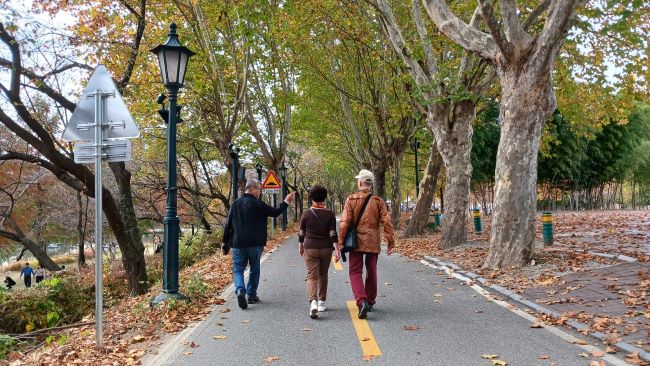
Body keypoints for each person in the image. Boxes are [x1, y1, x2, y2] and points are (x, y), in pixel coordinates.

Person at [223, 178, 296, 309]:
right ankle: (251, 295)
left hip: (238, 243)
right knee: (254, 268)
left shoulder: (235, 204)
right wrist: (286, 202)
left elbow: (227, 225)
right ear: (251, 189)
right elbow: (275, 213)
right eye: (258, 189)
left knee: (238, 269)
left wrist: (225, 242)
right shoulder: (258, 204)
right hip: (255, 243)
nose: (259, 192)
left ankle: (240, 290)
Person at [338, 169, 395, 319]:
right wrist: (391, 242)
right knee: (372, 270)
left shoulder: (351, 199)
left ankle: (361, 302)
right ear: (371, 185)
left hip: (355, 241)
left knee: (355, 272)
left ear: (360, 183)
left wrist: (341, 241)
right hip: (373, 240)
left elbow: (344, 223)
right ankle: (370, 301)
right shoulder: (378, 201)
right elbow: (386, 222)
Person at [298, 185, 340, 319]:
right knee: (323, 274)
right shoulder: (329, 213)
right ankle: (322, 302)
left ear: (311, 198)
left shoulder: (306, 213)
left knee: (312, 275)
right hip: (326, 247)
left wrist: (300, 245)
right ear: (324, 198)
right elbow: (333, 232)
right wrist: (337, 249)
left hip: (310, 247)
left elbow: (301, 232)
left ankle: (313, 302)